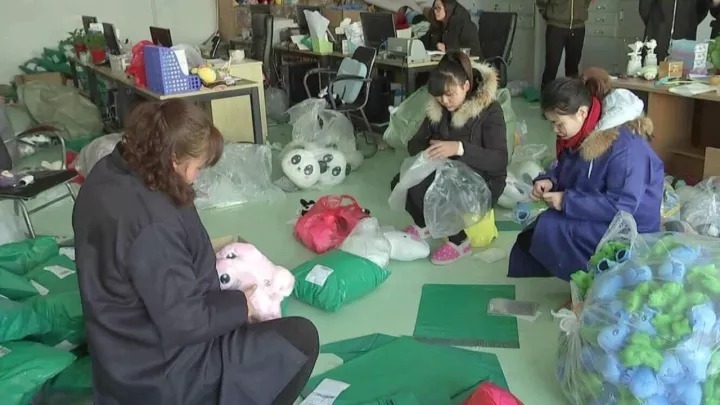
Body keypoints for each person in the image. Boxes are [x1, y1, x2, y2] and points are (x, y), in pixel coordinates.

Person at [72, 99, 319, 405]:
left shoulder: (107, 173)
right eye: (197, 167)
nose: (194, 177)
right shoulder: (153, 225)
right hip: (162, 373)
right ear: (173, 158)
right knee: (300, 339)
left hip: (116, 350)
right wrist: (244, 305)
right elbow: (184, 323)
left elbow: (143, 260)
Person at [507, 76, 664, 281]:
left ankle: (595, 284)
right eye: (552, 123)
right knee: (540, 229)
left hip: (633, 227)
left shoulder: (625, 148)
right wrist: (551, 181)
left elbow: (622, 207)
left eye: (558, 123)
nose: (554, 129)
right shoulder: (585, 134)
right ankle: (584, 282)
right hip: (603, 212)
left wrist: (566, 200)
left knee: (552, 229)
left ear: (582, 113)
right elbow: (572, 169)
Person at [391, 51, 507, 265]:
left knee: (427, 188)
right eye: (439, 96)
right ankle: (424, 225)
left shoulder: (490, 110)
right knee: (401, 181)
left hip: (483, 180)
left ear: (466, 86)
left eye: (449, 94)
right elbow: (413, 144)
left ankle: (460, 242)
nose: (444, 101)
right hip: (447, 170)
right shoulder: (439, 109)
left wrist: (459, 148)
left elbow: (499, 159)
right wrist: (430, 146)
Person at [537, 0, 592, 89]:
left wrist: (581, 10)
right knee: (551, 66)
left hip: (578, 28)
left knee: (573, 67)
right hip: (556, 27)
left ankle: (571, 95)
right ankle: (546, 95)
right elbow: (541, 2)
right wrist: (548, 13)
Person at [639, 0, 711, 62]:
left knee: (682, 70)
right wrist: (654, 23)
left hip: (685, 35)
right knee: (650, 69)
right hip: (657, 34)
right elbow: (644, 7)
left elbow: (702, 8)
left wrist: (690, 24)